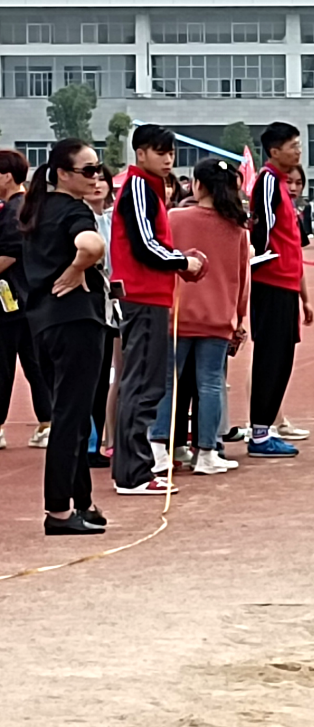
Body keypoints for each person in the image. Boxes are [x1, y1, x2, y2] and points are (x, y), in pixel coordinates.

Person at [17, 139, 110, 534]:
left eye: (98, 169)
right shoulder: (73, 211)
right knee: (72, 418)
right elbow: (92, 245)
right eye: (87, 170)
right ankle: (58, 510)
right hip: (75, 322)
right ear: (62, 174)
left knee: (71, 414)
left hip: (43, 325)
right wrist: (77, 269)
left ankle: (82, 502)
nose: (96, 177)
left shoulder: (37, 211)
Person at [110, 124, 203, 496]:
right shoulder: (137, 188)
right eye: (159, 151)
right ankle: (133, 472)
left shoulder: (148, 188)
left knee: (144, 384)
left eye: (171, 152)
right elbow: (146, 245)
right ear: (140, 153)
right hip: (143, 296)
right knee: (143, 386)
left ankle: (132, 468)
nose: (167, 159)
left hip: (152, 295)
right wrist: (183, 261)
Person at [151, 158, 249, 477]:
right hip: (218, 315)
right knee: (210, 383)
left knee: (168, 382)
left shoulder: (174, 218)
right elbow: (242, 278)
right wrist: (238, 318)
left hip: (177, 313)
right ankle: (207, 451)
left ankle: (159, 448)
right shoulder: (236, 228)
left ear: (197, 185)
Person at [248, 122, 313, 459]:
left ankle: (265, 428)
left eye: (298, 145)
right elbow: (263, 229)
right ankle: (259, 432)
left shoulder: (282, 186)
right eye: (292, 146)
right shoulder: (269, 182)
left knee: (283, 356)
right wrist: (260, 262)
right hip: (271, 280)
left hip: (285, 281)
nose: (298, 151)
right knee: (271, 357)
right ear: (274, 151)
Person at [0, 149, 53, 452]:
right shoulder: (26, 206)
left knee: (5, 365)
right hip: (27, 299)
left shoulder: (14, 209)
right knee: (33, 363)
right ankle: (47, 422)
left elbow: (9, 252)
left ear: (7, 175)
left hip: (11, 299)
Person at [84, 166, 119, 468]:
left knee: (106, 374)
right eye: (91, 179)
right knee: (90, 377)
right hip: (89, 305)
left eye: (102, 180)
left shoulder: (113, 221)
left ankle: (103, 440)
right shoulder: (79, 220)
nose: (97, 185)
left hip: (113, 307)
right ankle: (91, 442)